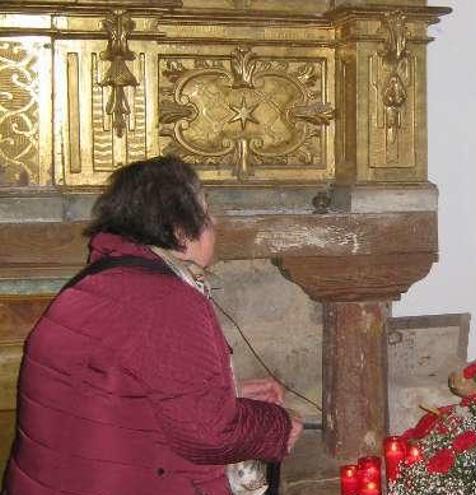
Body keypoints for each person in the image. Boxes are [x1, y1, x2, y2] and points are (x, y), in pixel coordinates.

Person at [2, 156, 302, 495]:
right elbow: (209, 434)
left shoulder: (101, 282)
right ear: (179, 230)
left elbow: (125, 394)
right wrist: (278, 426)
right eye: (205, 211)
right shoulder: (165, 301)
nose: (214, 222)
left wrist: (227, 394)